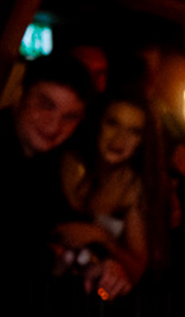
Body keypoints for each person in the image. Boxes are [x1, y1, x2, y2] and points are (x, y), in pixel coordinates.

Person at [0, 51, 94, 279]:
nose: (54, 125)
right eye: (46, 105)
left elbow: (65, 227)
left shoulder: (57, 160)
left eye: (70, 117)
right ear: (19, 94)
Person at [57, 94, 165, 299]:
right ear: (98, 122)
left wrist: (101, 236)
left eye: (134, 131)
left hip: (96, 302)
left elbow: (136, 269)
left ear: (142, 141)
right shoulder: (64, 159)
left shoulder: (133, 188)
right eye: (113, 123)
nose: (120, 139)